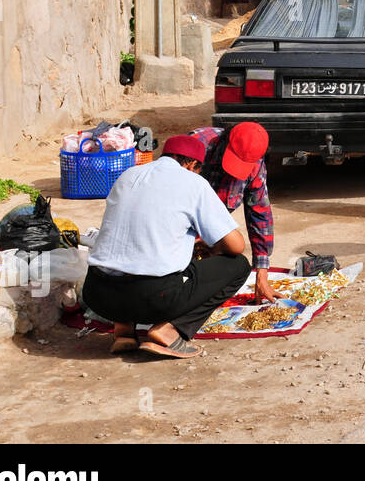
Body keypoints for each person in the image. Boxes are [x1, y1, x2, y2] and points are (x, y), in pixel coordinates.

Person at [83, 135, 250, 359]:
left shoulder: (128, 175)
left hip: (97, 294)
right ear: (193, 165)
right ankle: (170, 330)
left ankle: (124, 329)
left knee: (131, 254)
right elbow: (236, 245)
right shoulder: (193, 182)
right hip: (152, 298)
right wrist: (212, 246)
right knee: (238, 266)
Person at [187, 122, 277, 304]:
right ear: (225, 142)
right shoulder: (197, 144)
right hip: (176, 229)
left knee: (234, 255)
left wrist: (262, 273)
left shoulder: (255, 165)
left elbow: (260, 214)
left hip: (207, 234)